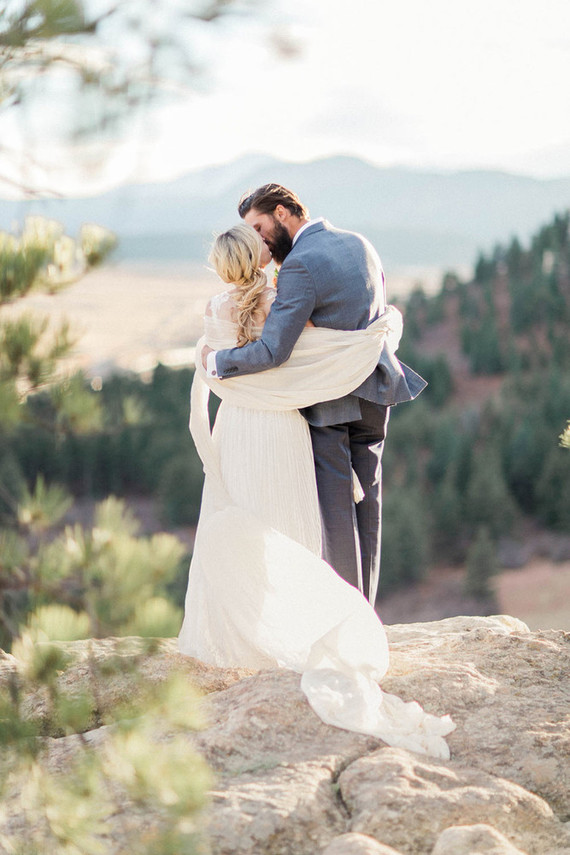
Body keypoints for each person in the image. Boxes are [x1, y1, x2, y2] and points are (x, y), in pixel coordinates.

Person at [179, 224, 454, 759]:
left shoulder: (214, 309)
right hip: (282, 428)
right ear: (259, 258)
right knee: (293, 523)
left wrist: (211, 360)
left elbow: (219, 364)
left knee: (246, 517)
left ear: (220, 267)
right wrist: (385, 327)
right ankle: (312, 628)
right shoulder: (282, 301)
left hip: (238, 427)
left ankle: (248, 633)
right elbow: (317, 352)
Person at [201, 184, 426, 605]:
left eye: (259, 227)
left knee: (336, 514)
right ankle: (366, 612)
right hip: (375, 391)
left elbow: (274, 349)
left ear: (282, 212)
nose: (259, 240)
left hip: (331, 401)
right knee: (368, 507)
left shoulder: (299, 265)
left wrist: (216, 362)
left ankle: (348, 619)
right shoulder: (361, 245)